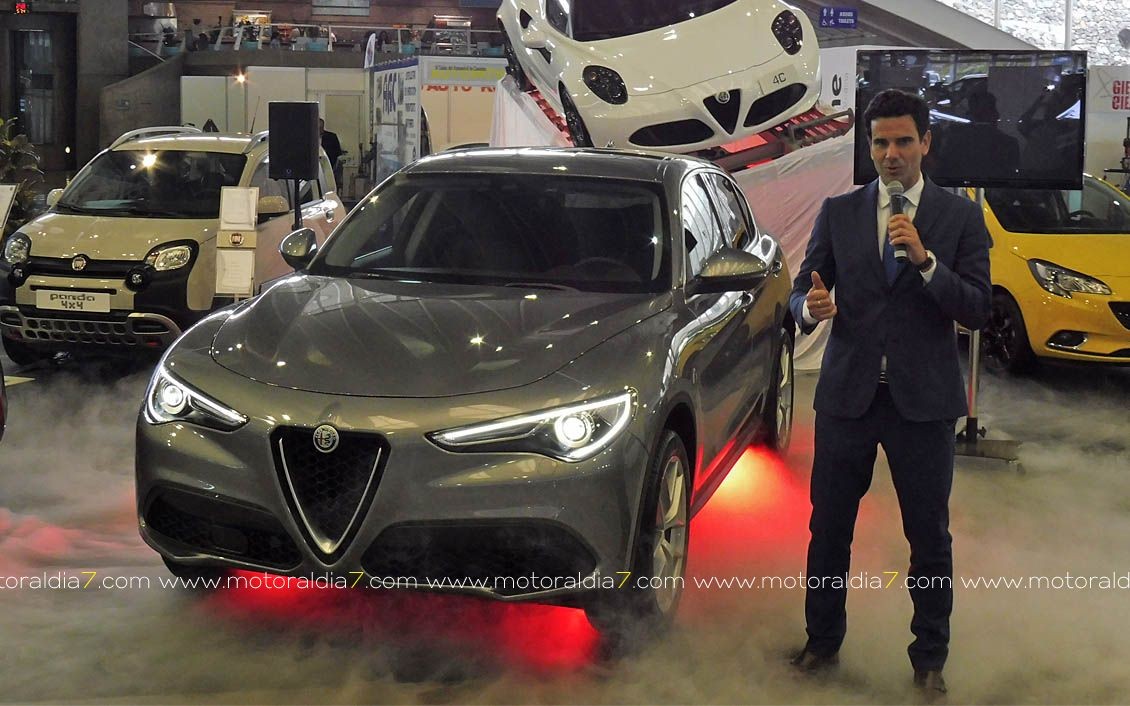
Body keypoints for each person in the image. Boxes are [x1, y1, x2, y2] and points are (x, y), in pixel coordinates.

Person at [787, 89, 991, 697]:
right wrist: (810, 307)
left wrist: (927, 263)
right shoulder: (839, 212)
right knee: (829, 531)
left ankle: (929, 659)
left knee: (928, 537)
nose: (891, 153)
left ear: (926, 142)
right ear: (869, 147)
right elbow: (802, 290)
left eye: (903, 141)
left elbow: (978, 308)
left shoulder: (960, 218)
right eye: (880, 142)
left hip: (922, 405)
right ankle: (821, 644)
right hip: (847, 399)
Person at [319, 118, 345, 190]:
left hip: (330, 166)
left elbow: (338, 153)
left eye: (320, 128)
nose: (319, 130)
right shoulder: (310, 137)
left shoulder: (331, 137)